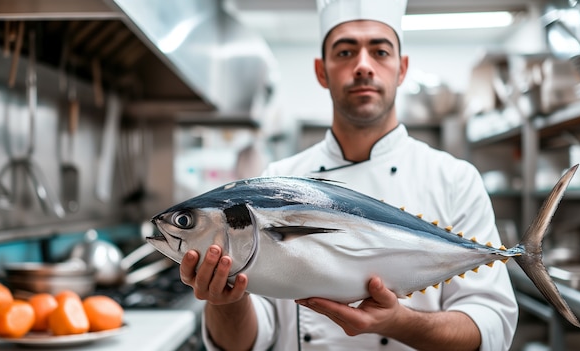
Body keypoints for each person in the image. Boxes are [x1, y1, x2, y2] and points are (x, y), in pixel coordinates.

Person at [179, 0, 519, 349]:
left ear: (402, 69)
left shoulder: (455, 180)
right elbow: (250, 341)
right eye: (344, 52)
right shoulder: (278, 181)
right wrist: (226, 304)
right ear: (321, 71)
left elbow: (492, 328)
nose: (362, 66)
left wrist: (400, 322)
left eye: (380, 51)